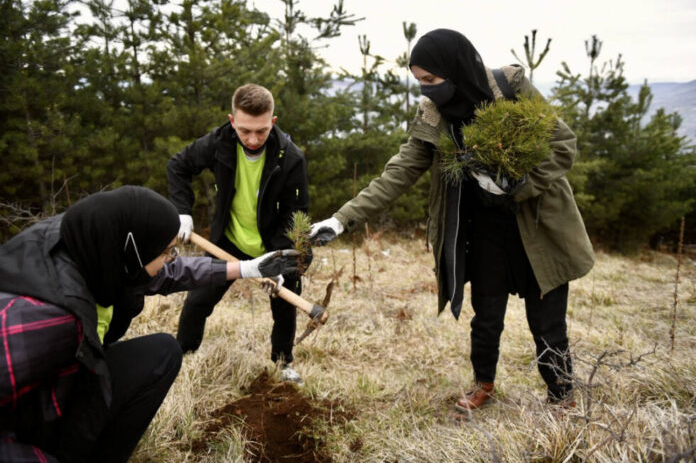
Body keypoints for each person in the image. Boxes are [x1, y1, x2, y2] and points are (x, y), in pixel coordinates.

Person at [309, 29, 595, 410]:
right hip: (484, 230)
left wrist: (516, 185)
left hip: (537, 225)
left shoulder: (509, 88)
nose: (425, 90)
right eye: (418, 81)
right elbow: (397, 173)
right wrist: (340, 220)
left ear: (455, 67)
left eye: (430, 79)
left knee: (547, 320)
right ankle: (483, 384)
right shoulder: (434, 115)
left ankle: (561, 395)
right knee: (486, 315)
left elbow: (562, 144)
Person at [0, 186, 299, 462]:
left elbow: (169, 272)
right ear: (133, 251)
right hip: (26, 422)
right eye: (167, 251)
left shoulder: (94, 244)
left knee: (162, 353)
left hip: (63, 384)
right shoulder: (49, 318)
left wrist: (246, 268)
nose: (171, 259)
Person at [168, 83, 310, 383]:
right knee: (197, 301)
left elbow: (295, 214)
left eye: (261, 131)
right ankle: (182, 357)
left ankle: (283, 363)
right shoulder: (219, 143)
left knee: (285, 306)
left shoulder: (291, 158)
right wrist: (182, 211)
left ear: (272, 121)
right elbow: (178, 166)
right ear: (232, 121)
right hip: (228, 243)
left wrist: (281, 262)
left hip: (274, 246)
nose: (253, 139)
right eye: (245, 130)